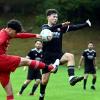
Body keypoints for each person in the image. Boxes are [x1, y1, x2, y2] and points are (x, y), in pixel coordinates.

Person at [0, 19, 59, 100]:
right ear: (10, 29)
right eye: (16, 32)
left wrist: (35, 35)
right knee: (26, 61)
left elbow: (21, 35)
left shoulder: (8, 33)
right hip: (1, 59)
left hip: (2, 67)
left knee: (10, 95)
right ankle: (51, 68)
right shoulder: (2, 35)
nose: (17, 34)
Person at [39, 9, 91, 100]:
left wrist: (86, 24)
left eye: (56, 17)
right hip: (47, 57)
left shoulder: (60, 28)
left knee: (70, 56)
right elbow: (48, 30)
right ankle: (41, 95)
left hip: (58, 54)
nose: (55, 18)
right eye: (53, 16)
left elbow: (74, 27)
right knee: (44, 81)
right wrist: (60, 25)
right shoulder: (45, 27)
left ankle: (71, 78)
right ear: (48, 17)